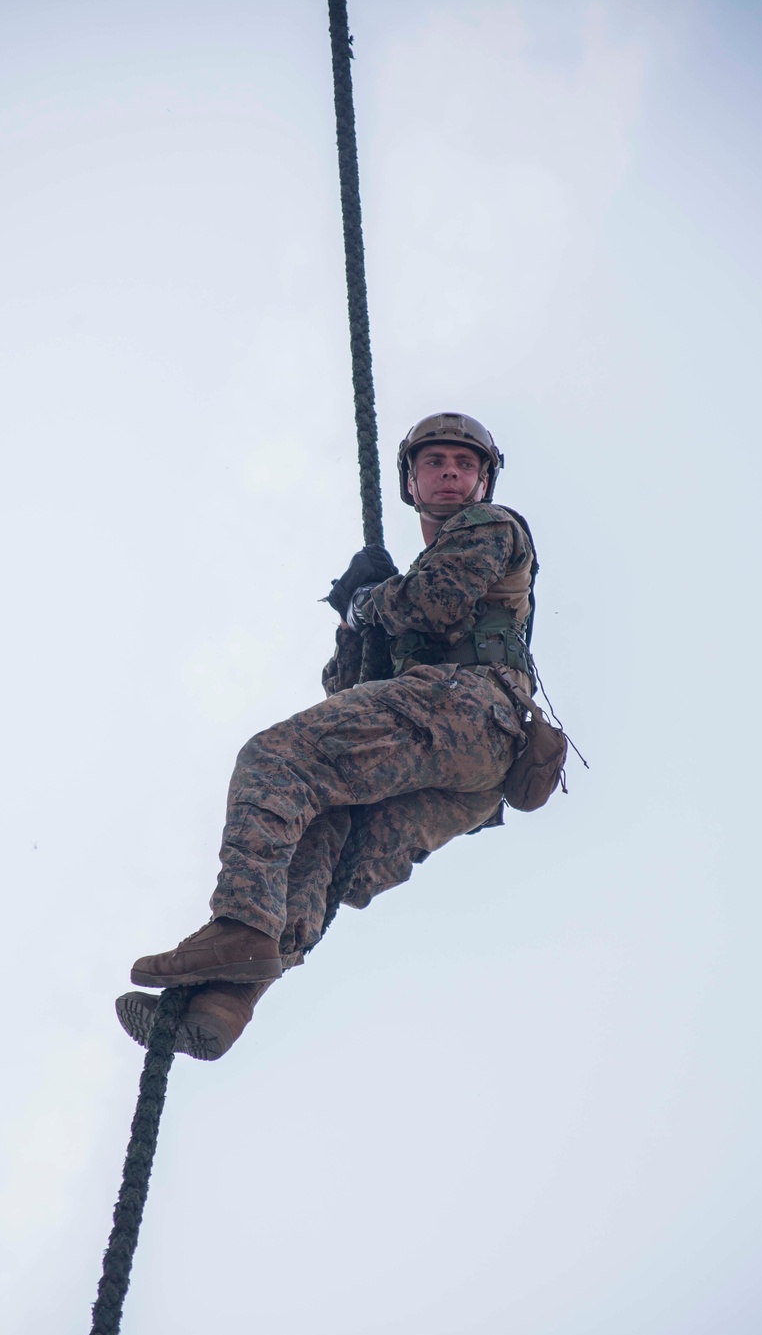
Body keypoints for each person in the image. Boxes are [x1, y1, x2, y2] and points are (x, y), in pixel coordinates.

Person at [117, 411, 560, 1059]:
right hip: (471, 772)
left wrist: (368, 602)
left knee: (278, 760)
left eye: (466, 465)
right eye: (435, 463)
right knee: (321, 843)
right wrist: (356, 629)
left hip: (471, 712)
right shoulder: (419, 571)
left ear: (485, 482)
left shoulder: (488, 526)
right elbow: (350, 700)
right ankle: (227, 1002)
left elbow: (432, 602)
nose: (451, 474)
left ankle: (240, 924)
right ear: (411, 480)